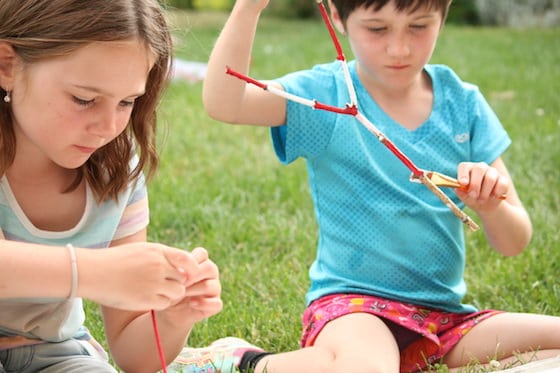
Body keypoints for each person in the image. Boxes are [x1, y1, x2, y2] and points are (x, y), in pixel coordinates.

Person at [171, 0, 560, 372]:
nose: (399, 47)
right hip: (353, 308)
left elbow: (515, 241)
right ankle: (246, 360)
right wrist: (248, 7)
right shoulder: (325, 94)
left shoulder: (463, 103)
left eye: (419, 26)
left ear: (444, 13)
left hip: (444, 321)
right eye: (377, 29)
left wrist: (491, 206)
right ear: (338, 17)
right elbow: (226, 103)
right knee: (368, 367)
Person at [0, 1, 222, 372]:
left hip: (53, 354)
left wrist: (171, 316)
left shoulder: (114, 169)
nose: (107, 127)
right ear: (7, 65)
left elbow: (134, 357)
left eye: (127, 102)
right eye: (84, 99)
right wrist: (99, 272)